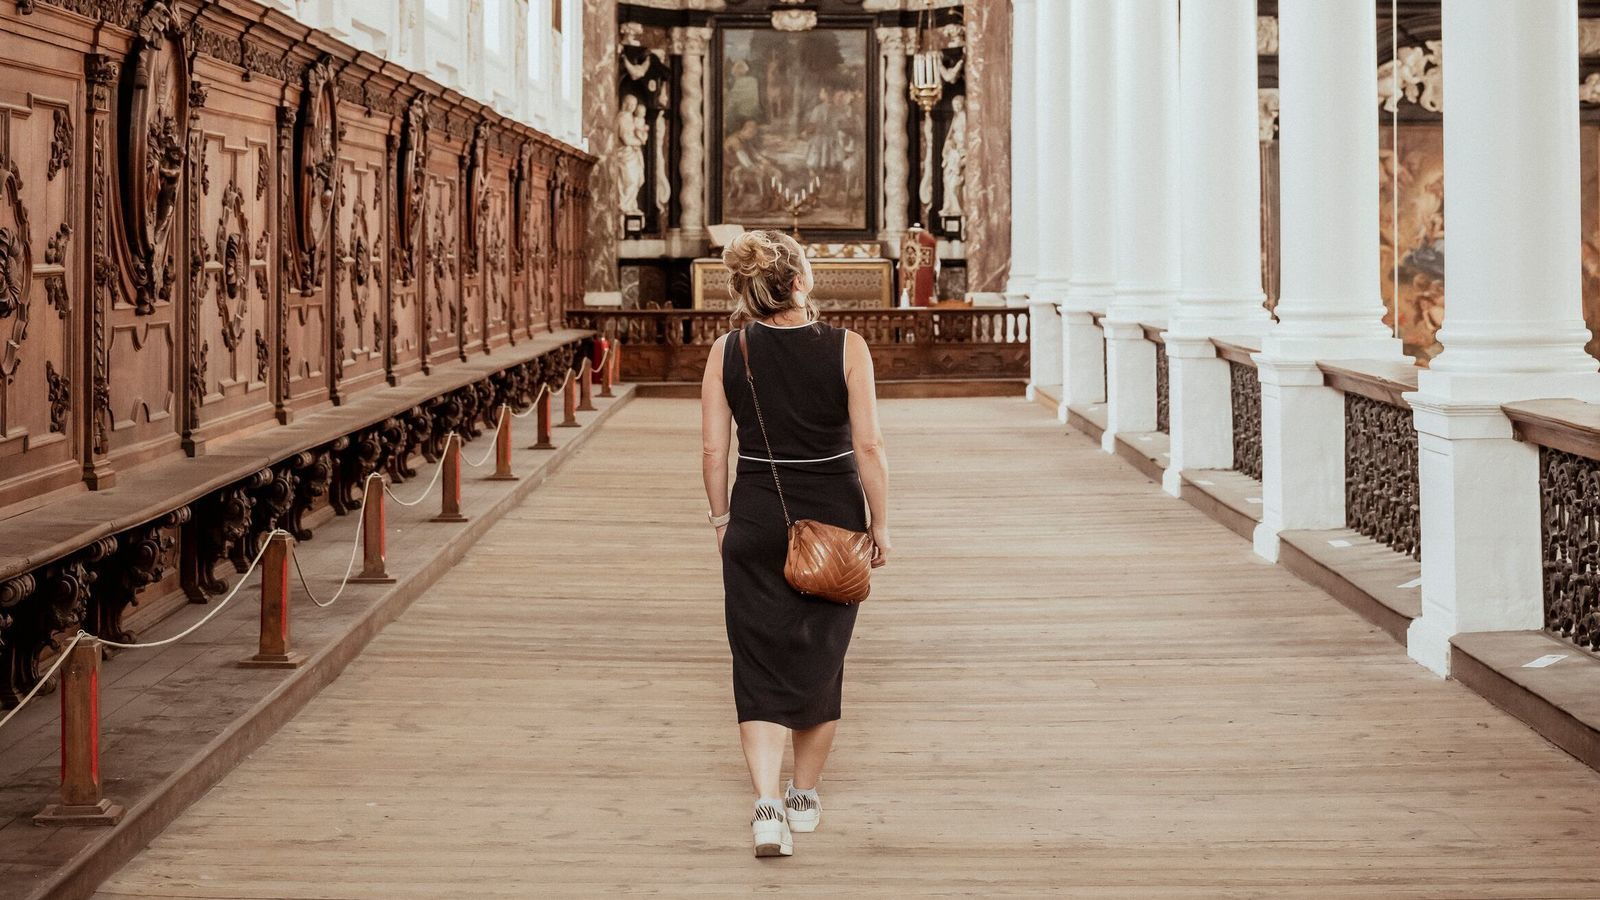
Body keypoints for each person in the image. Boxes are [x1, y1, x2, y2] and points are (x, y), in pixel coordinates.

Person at [699, 230, 891, 858]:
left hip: (755, 511)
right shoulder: (847, 348)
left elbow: (712, 449)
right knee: (820, 659)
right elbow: (869, 447)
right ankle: (804, 797)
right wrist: (881, 524)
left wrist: (722, 519)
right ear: (803, 280)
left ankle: (765, 806)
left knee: (756, 664)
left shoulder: (728, 349)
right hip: (834, 518)